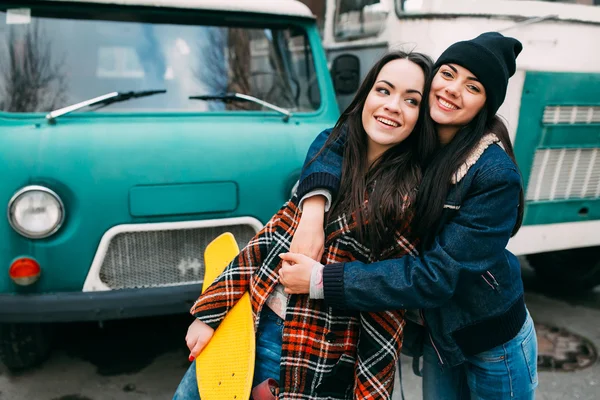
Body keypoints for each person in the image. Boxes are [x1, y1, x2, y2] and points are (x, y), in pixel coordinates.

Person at [278, 32, 538, 400]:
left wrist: (322, 280)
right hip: (439, 335)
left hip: (491, 338)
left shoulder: (493, 175)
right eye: (448, 74)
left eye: (473, 86)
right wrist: (313, 209)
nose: (452, 90)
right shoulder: (418, 129)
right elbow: (337, 137)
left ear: (485, 104)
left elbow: (436, 276)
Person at [172, 50, 437, 400]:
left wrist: (369, 393)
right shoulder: (328, 160)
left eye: (411, 100)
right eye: (383, 90)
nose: (392, 105)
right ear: (366, 95)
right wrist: (211, 313)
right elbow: (265, 242)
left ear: (421, 117)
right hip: (244, 325)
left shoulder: (408, 197)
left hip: (310, 354)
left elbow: (385, 308)